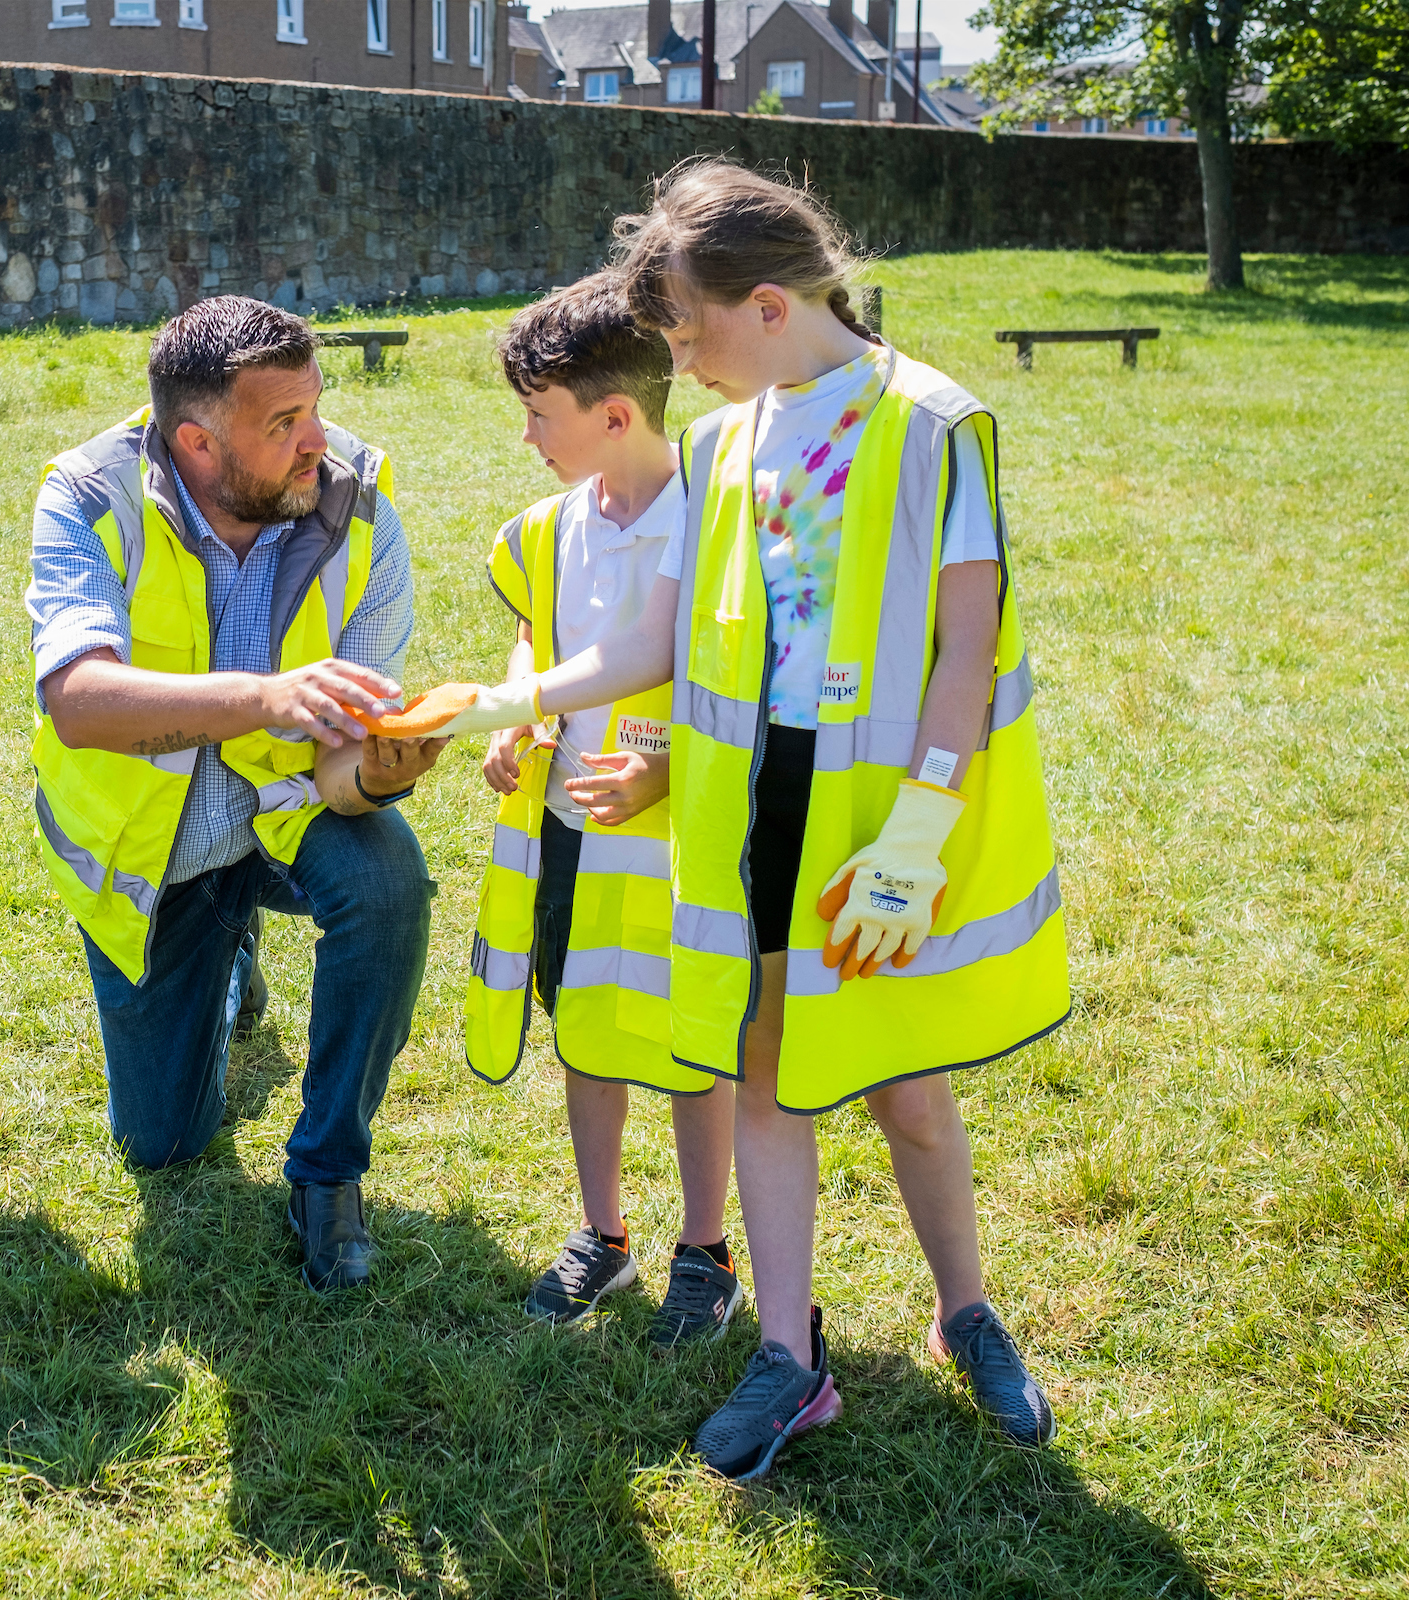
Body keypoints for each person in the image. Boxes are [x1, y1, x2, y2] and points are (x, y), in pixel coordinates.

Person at [400, 161, 1071, 1477]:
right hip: (752, 805)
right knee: (765, 1066)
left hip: (882, 814)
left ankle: (966, 1311)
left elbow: (964, 650)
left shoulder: (937, 424)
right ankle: (786, 1355)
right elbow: (658, 638)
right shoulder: (722, 446)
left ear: (769, 306)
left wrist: (919, 836)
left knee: (905, 1084)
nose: (680, 364)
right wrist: (500, 700)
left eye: (692, 336)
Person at [24, 296, 444, 1293]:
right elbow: (78, 702)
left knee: (388, 878)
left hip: (291, 808)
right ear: (197, 442)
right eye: (283, 425)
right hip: (152, 855)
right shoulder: (87, 495)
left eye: (316, 410)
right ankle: (227, 960)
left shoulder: (356, 497)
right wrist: (264, 696)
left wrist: (377, 772)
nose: (318, 445)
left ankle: (328, 1171)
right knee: (162, 1144)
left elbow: (343, 770)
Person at [470, 278, 740, 1341]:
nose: (528, 436)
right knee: (582, 1025)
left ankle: (706, 1250)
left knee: (688, 1041)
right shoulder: (549, 528)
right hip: (574, 833)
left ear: (616, 415)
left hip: (680, 845)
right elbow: (542, 632)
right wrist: (520, 717)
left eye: (543, 414)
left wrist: (663, 776)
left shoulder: (711, 521)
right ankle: (604, 1235)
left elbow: (683, 663)